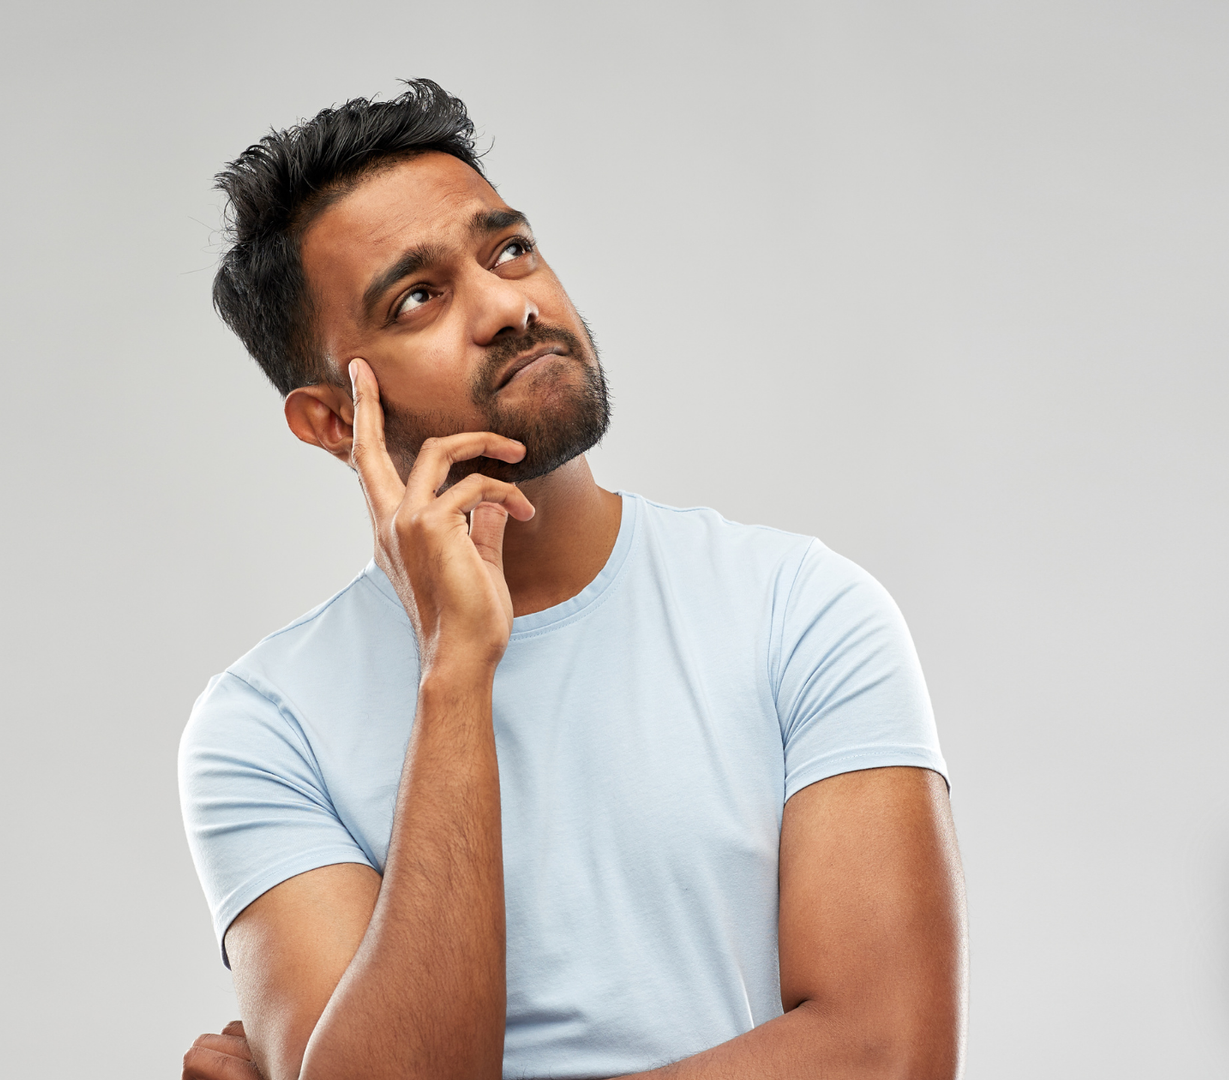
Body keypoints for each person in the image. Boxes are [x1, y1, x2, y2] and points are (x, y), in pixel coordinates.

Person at [178, 79, 965, 1080]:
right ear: (334, 420)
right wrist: (455, 669)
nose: (509, 306)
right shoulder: (265, 727)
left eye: (509, 250)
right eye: (418, 298)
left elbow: (886, 1055)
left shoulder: (800, 609)